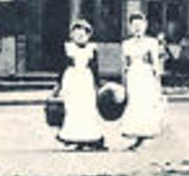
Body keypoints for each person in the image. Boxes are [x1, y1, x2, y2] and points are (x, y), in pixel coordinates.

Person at [56, 19, 106, 151]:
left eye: (82, 35)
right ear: (72, 36)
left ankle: (90, 138)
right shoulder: (68, 48)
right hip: (71, 80)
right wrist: (59, 85)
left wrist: (97, 84)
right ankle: (74, 137)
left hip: (86, 80)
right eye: (76, 35)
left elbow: (95, 68)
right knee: (73, 108)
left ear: (88, 36)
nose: (79, 37)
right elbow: (61, 67)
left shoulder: (92, 49)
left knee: (87, 108)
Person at [118, 13, 165, 149]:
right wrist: (124, 81)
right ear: (130, 27)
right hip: (133, 75)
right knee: (134, 103)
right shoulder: (126, 44)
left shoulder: (151, 42)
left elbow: (156, 63)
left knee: (146, 103)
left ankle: (145, 135)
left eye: (140, 25)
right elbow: (125, 64)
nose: (137, 28)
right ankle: (136, 135)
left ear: (145, 26)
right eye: (134, 26)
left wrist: (157, 81)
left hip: (146, 75)